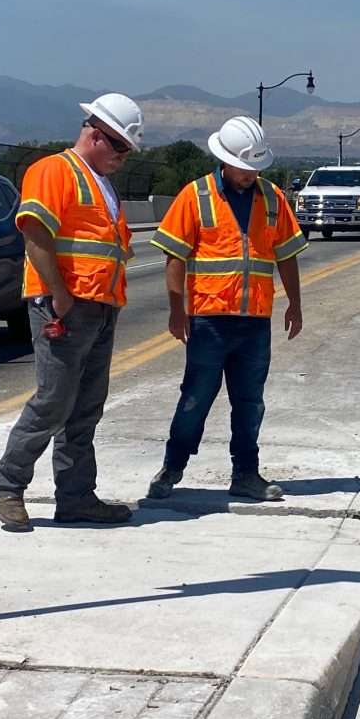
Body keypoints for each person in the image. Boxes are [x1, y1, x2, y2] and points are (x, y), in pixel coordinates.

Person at [0, 93, 145, 531]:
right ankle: (9, 487)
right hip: (65, 307)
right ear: (95, 134)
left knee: (85, 407)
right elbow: (35, 235)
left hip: (101, 307)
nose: (122, 158)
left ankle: (76, 496)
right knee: (53, 402)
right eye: (118, 147)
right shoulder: (53, 171)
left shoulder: (101, 182)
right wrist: (59, 294)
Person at [147, 116, 308, 501]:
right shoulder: (196, 196)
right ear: (225, 160)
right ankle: (173, 467)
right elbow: (174, 255)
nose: (251, 174)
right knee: (195, 398)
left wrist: (296, 304)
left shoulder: (272, 198)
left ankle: (246, 474)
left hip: (254, 322)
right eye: (245, 167)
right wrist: (176, 309)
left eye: (256, 167)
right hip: (208, 321)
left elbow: (286, 255)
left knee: (250, 402)